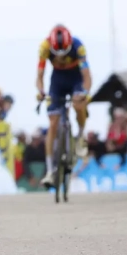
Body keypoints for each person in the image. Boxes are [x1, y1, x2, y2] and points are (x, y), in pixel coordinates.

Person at [35, 24, 92, 188]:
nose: (60, 57)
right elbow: (39, 75)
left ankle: (80, 137)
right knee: (53, 122)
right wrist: (40, 91)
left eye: (64, 54)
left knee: (78, 104)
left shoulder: (78, 47)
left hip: (76, 79)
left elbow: (87, 76)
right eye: (57, 55)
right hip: (57, 81)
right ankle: (50, 171)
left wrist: (85, 94)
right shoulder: (44, 47)